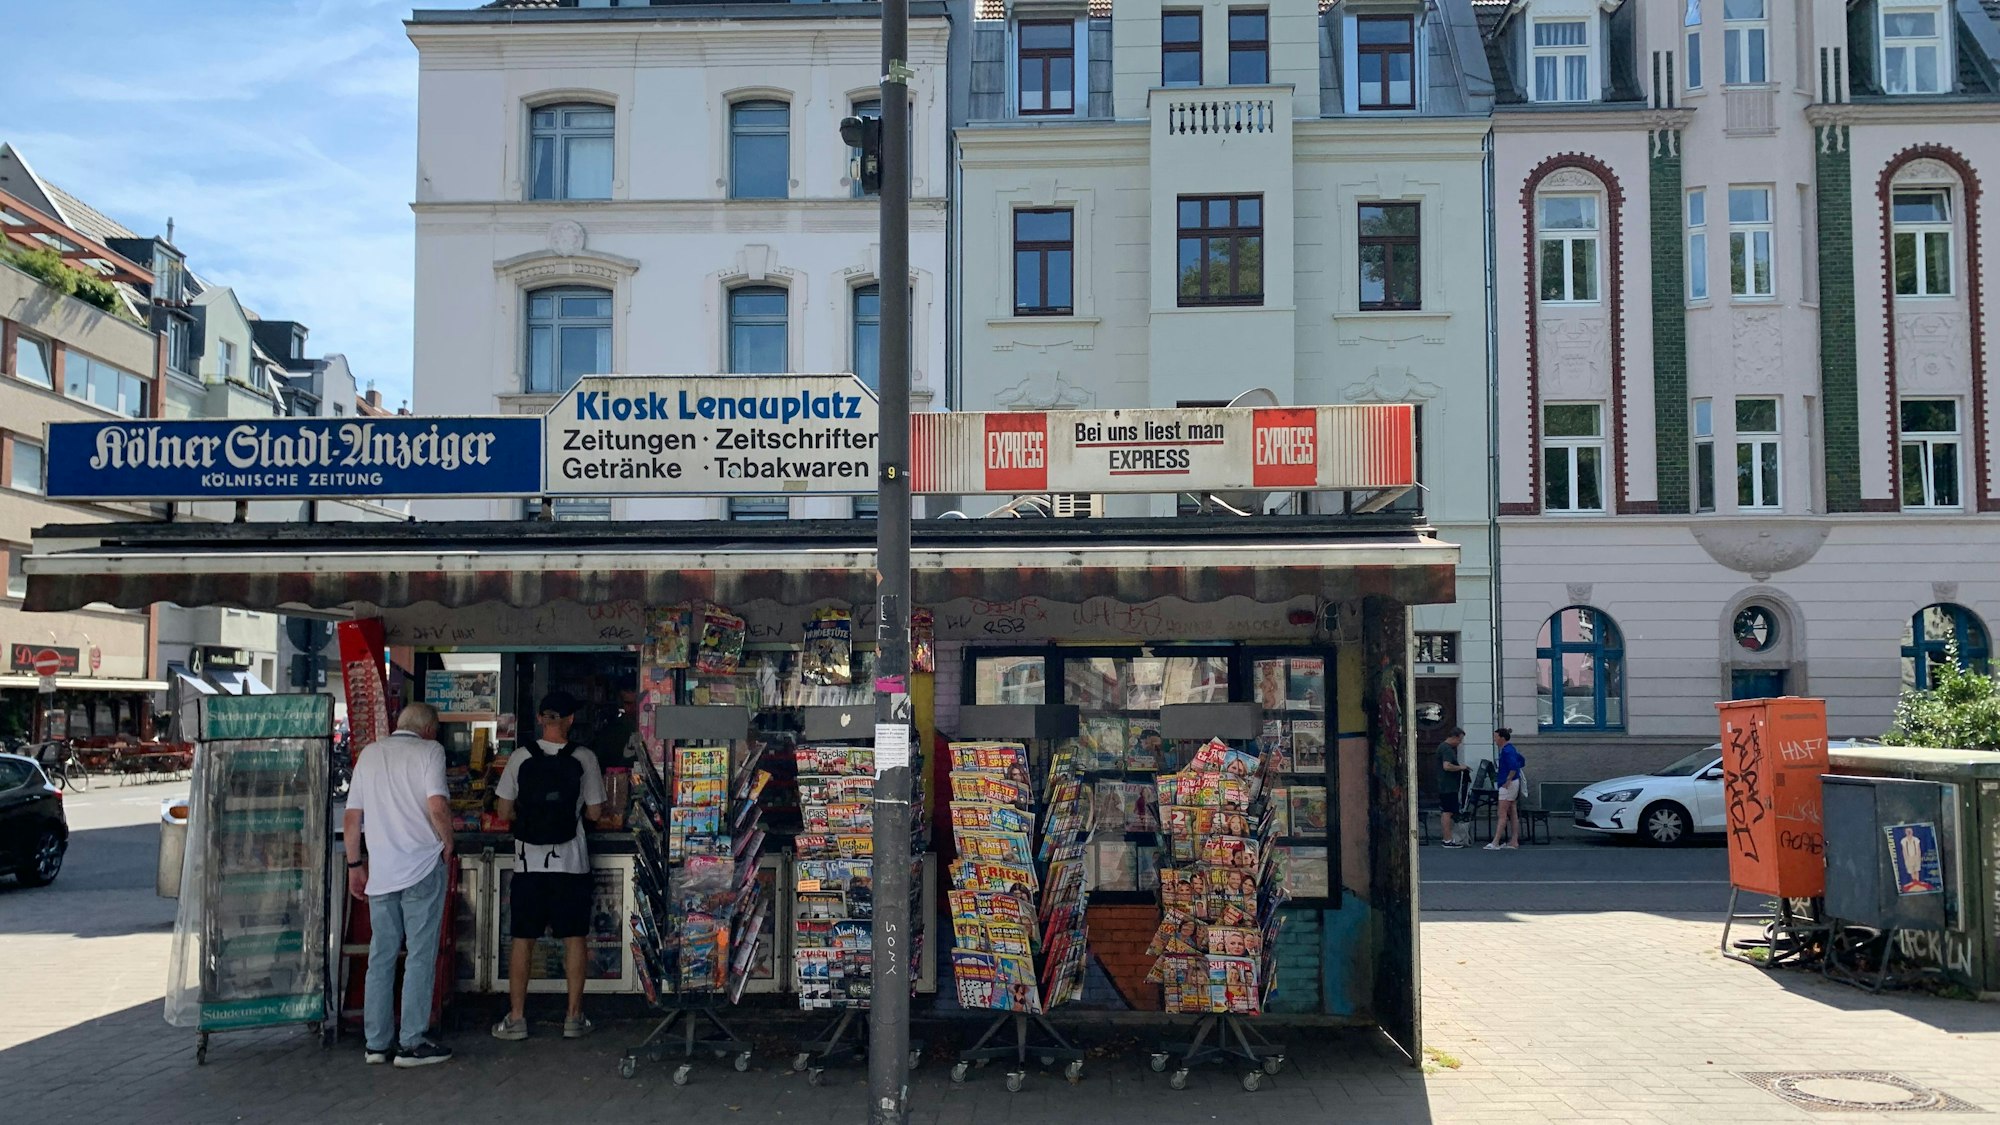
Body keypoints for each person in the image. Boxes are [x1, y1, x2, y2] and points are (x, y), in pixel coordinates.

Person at [342, 702, 455, 1068]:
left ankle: (376, 1044)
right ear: (428, 730)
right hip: (422, 866)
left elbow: (351, 817)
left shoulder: (371, 755)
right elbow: (437, 805)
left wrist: (355, 864)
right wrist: (449, 843)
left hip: (381, 873)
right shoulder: (430, 751)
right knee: (420, 955)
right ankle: (411, 1042)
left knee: (382, 955)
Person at [492, 690, 606, 1042]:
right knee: (574, 938)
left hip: (529, 864)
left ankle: (516, 1017)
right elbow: (595, 812)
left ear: (541, 718)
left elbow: (503, 811)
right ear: (571, 720)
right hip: (571, 863)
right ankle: (573, 1017)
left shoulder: (520, 758)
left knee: (523, 939)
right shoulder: (585, 758)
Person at [1486, 728, 1525, 851]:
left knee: (1502, 813)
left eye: (1496, 736)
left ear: (1502, 738)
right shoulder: (1511, 749)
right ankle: (1514, 840)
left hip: (1507, 783)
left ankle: (1496, 841)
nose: (1494, 739)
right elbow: (1521, 761)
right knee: (1512, 811)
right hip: (1514, 782)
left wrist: (1508, 779)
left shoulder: (1506, 751)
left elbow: (1513, 766)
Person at [1437, 728, 1471, 848]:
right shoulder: (1447, 749)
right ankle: (1447, 839)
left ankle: (1447, 838)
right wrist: (1461, 767)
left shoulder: (1443, 747)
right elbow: (1447, 766)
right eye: (1460, 739)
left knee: (1446, 811)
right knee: (1448, 812)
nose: (1460, 742)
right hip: (1448, 785)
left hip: (1445, 785)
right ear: (1455, 737)